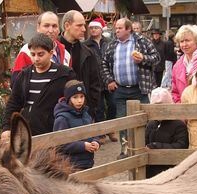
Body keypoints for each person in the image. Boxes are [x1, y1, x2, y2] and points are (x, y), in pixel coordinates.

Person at [101, 18, 160, 159]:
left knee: (144, 120)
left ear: (129, 29)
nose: (117, 31)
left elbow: (156, 58)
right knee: (123, 122)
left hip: (140, 88)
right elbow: (103, 63)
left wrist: (143, 58)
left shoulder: (141, 41)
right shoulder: (112, 45)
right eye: (116, 28)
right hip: (120, 89)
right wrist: (109, 80)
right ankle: (125, 151)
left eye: (120, 28)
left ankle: (143, 148)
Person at [2, 33, 75, 138]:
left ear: (51, 53)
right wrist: (7, 128)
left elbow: (76, 100)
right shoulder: (24, 74)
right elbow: (14, 103)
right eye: (33, 54)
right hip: (29, 133)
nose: (36, 59)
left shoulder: (65, 74)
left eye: (40, 54)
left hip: (56, 132)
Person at [60, 10, 101, 119]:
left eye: (84, 25)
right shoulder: (54, 50)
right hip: (60, 112)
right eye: (79, 25)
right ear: (67, 25)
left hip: (84, 112)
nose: (84, 29)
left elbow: (95, 84)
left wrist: (91, 110)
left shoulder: (88, 52)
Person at [11, 11, 70, 85]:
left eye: (54, 26)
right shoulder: (26, 51)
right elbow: (16, 83)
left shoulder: (66, 54)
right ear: (38, 28)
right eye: (46, 26)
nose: (51, 30)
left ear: (59, 29)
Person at [84, 17, 118, 143]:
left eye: (96, 27)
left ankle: (110, 129)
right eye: (91, 28)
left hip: (109, 79)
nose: (93, 30)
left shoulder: (109, 42)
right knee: (98, 108)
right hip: (95, 80)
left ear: (101, 29)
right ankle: (100, 133)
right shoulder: (85, 44)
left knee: (113, 105)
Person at [53, 80, 100, 170]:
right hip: (70, 165)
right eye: (75, 97)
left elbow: (94, 133)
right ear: (68, 98)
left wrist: (96, 142)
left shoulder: (86, 114)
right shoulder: (62, 118)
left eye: (82, 97)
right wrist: (83, 146)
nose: (79, 101)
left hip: (88, 162)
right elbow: (60, 144)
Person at [145, 87, 188, 178]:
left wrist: (155, 146)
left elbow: (181, 146)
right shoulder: (151, 124)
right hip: (151, 170)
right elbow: (144, 142)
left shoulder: (178, 125)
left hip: (171, 171)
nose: (159, 111)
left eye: (162, 107)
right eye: (155, 108)